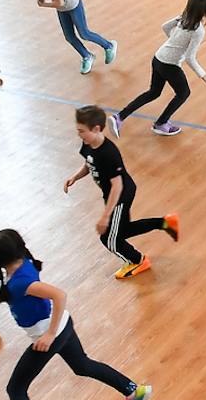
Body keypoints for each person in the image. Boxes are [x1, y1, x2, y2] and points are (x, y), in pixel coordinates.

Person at [0, 229, 152, 400]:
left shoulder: (21, 281)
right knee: (82, 365)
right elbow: (22, 293)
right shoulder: (23, 266)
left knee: (16, 388)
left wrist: (50, 335)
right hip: (64, 325)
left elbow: (58, 295)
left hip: (49, 335)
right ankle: (133, 391)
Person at [64, 105, 179, 280]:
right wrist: (75, 177)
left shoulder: (109, 153)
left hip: (120, 195)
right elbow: (89, 162)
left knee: (108, 238)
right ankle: (165, 223)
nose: (79, 134)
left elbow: (117, 186)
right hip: (111, 194)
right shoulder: (88, 143)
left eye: (81, 131)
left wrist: (105, 216)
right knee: (122, 230)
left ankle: (138, 260)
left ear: (96, 129)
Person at [118, 0, 206, 136]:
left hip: (158, 58)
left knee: (153, 92)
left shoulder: (183, 18)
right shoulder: (198, 31)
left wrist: (174, 41)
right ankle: (161, 123)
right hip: (170, 65)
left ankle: (119, 117)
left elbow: (165, 27)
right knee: (183, 93)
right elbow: (189, 57)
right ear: (203, 10)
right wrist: (203, 74)